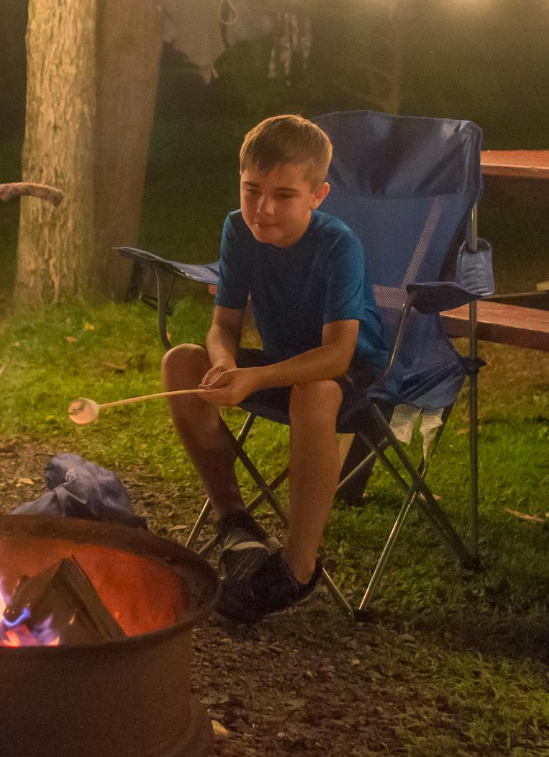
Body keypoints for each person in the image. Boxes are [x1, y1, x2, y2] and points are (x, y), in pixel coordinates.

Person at [159, 115, 385, 623]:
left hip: (351, 374)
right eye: (251, 189)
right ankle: (234, 522)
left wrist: (255, 377)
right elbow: (223, 325)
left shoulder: (338, 245)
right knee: (182, 363)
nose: (263, 208)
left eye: (284, 195)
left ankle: (296, 569)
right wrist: (223, 365)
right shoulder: (238, 229)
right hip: (284, 365)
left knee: (315, 392)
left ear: (318, 195)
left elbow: (339, 356)